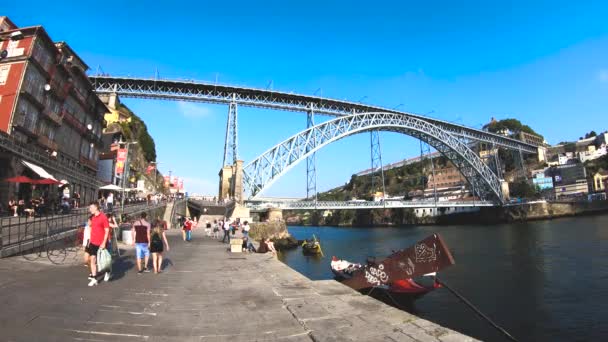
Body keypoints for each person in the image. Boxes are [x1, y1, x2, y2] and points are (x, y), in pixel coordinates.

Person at [85, 202, 111, 286]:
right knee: (92, 259)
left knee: (104, 260)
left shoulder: (103, 217)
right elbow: (91, 228)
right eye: (89, 208)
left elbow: (107, 231)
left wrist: (104, 242)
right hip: (93, 242)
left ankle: (107, 271)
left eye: (91, 208)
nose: (90, 210)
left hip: (101, 243)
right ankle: (94, 278)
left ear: (96, 207)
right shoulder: (92, 217)